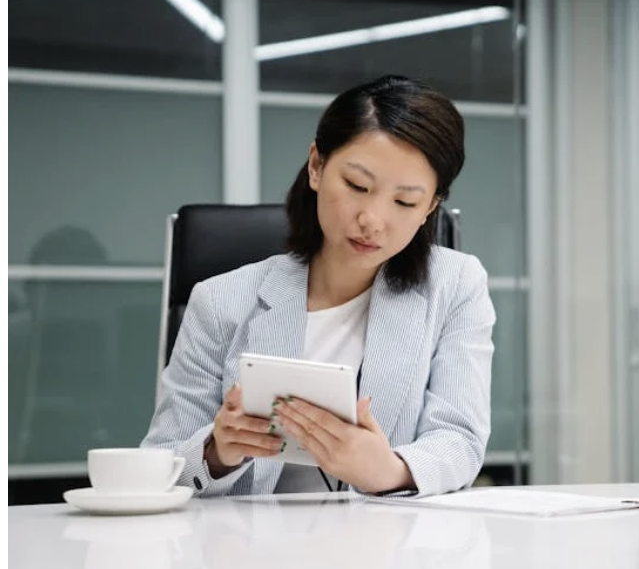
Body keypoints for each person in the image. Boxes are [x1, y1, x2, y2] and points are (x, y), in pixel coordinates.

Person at [142, 75, 496, 498]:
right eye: (357, 186)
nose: (373, 220)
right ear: (316, 166)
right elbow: (161, 465)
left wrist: (389, 470)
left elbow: (461, 441)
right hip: (244, 551)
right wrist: (217, 451)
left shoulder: (456, 286)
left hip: (387, 549)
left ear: (431, 207)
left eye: (405, 202)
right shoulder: (220, 300)